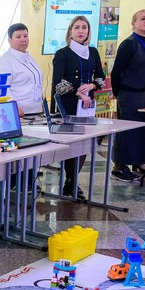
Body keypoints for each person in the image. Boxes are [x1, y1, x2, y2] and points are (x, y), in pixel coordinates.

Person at [51, 15, 105, 199]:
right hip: (68, 103)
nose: (81, 31)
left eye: (84, 27)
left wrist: (91, 86)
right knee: (71, 144)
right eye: (77, 27)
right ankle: (70, 180)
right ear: (70, 31)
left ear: (89, 31)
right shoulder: (62, 53)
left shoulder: (93, 51)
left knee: (84, 143)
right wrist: (78, 92)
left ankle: (72, 181)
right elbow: (58, 83)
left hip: (87, 104)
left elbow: (100, 77)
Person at [109, 10, 145, 181]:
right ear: (133, 23)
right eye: (142, 19)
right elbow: (116, 71)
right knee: (127, 131)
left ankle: (135, 161)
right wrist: (117, 93)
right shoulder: (129, 44)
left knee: (139, 131)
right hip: (129, 94)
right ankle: (119, 166)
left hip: (144, 93)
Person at [0, 23, 44, 116]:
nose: (23, 39)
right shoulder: (5, 61)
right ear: (9, 40)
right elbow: (1, 87)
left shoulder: (30, 59)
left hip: (37, 112)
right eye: (18, 37)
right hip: (19, 113)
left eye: (25, 36)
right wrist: (13, 107)